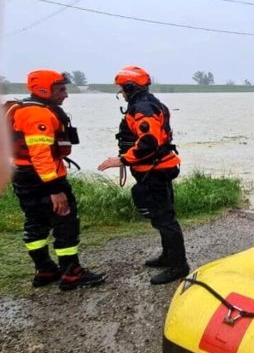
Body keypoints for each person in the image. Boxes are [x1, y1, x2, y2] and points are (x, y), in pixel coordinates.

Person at [7, 69, 106, 290]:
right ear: (44, 89)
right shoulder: (38, 115)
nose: (65, 94)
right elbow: (40, 154)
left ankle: (45, 269)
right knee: (66, 223)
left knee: (35, 223)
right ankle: (72, 273)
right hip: (43, 178)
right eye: (60, 89)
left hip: (22, 175)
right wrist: (54, 189)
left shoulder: (21, 109)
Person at [98, 66, 189, 285]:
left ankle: (179, 265)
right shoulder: (148, 103)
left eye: (122, 88)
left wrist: (121, 160)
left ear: (130, 87)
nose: (121, 92)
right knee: (161, 217)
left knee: (164, 219)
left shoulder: (142, 108)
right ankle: (169, 256)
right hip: (155, 168)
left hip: (155, 170)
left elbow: (149, 142)